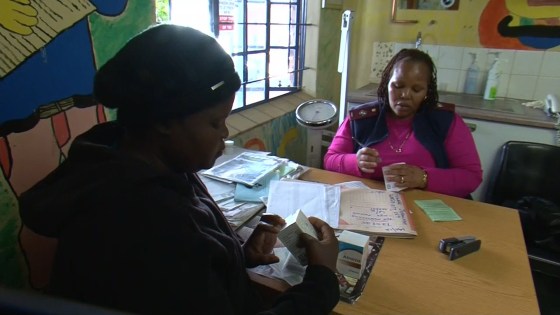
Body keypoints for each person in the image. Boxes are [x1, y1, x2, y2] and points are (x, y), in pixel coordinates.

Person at [18, 24, 340, 315]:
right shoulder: (144, 225)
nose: (225, 133)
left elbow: (190, 275)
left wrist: (237, 256)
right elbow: (179, 259)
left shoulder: (140, 161)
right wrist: (322, 279)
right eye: (215, 122)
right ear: (163, 122)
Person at [324, 48, 482, 198]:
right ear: (387, 84)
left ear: (427, 92)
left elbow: (472, 177)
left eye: (416, 89)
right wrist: (355, 162)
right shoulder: (361, 119)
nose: (405, 95)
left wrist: (423, 178)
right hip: (370, 205)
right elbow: (330, 160)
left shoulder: (445, 122)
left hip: (429, 205)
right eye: (398, 86)